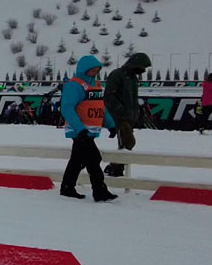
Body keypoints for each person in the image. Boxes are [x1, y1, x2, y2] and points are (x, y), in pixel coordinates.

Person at [60, 55, 118, 201]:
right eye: (91, 70)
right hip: (79, 131)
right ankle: (99, 191)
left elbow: (100, 107)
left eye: (96, 70)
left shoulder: (96, 85)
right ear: (84, 70)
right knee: (94, 158)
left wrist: (111, 125)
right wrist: (80, 129)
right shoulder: (74, 85)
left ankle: (67, 187)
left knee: (77, 160)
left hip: (89, 131)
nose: (94, 72)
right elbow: (67, 108)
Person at [103, 52, 151, 176]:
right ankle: (116, 168)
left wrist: (135, 113)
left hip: (128, 117)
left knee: (125, 143)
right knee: (128, 142)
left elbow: (132, 98)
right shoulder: (117, 75)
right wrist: (121, 110)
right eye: (142, 68)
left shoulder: (133, 78)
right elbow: (109, 96)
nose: (143, 71)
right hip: (119, 117)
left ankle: (115, 167)